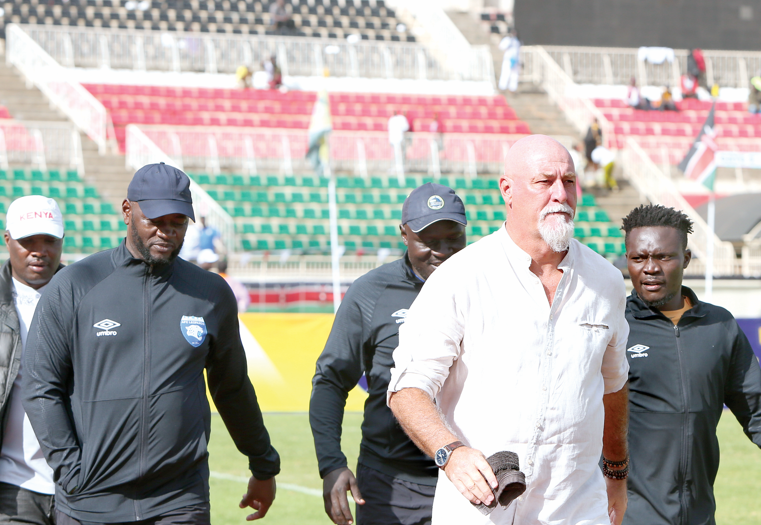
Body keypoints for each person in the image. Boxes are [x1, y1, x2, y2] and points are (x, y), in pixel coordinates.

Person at [387, 135, 630, 524]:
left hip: (575, 510)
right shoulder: (460, 277)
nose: (560, 194)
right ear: (507, 190)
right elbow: (407, 390)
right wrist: (452, 453)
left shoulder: (607, 281)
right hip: (479, 512)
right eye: (544, 181)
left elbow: (613, 386)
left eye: (568, 181)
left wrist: (616, 471)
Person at [22, 163, 280, 524]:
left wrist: (263, 463)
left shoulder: (210, 294)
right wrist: (71, 470)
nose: (167, 232)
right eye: (155, 220)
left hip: (180, 500)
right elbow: (39, 386)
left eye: (178, 222)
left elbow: (232, 388)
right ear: (128, 211)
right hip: (91, 501)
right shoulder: (75, 285)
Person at [310, 183, 468, 525]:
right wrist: (331, 463)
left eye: (453, 238)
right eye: (428, 240)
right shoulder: (370, 293)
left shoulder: (487, 288)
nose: (442, 251)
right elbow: (330, 382)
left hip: (471, 478)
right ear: (404, 234)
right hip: (391, 484)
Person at [621, 204, 761, 525]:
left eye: (663, 257)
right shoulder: (612, 325)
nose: (650, 268)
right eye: (638, 258)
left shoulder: (719, 325)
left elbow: (756, 410)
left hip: (699, 516)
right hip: (627, 516)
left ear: (685, 259)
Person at [0, 196, 65, 525]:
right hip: (11, 490)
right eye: (28, 241)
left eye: (49, 240)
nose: (39, 250)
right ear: (7, 239)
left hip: (78, 487)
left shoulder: (92, 302)